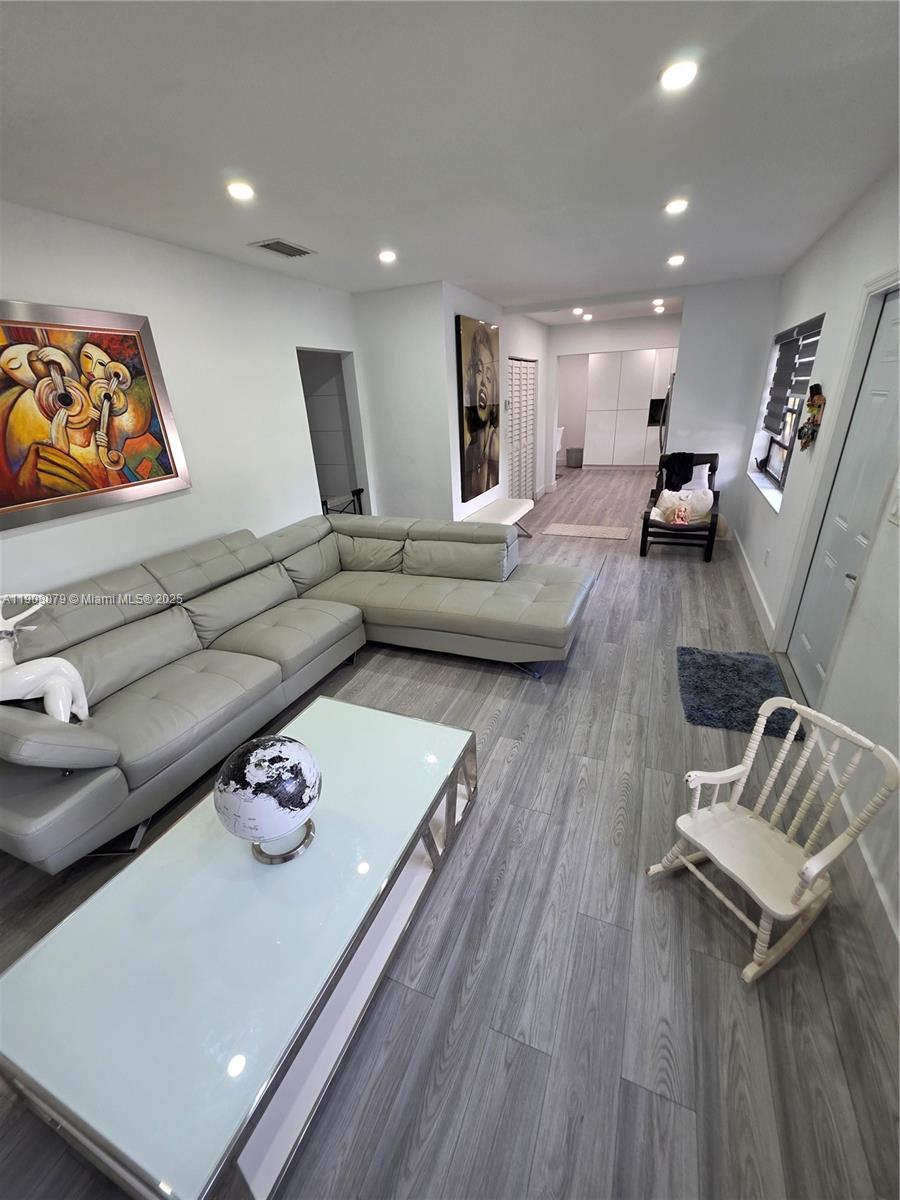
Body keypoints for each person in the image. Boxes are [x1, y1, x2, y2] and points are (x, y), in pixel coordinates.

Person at [462, 322, 499, 500]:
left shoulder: (495, 446)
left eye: (489, 376)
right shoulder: (470, 450)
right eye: (478, 371)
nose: (483, 381)